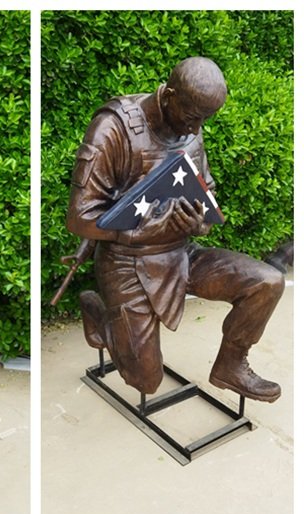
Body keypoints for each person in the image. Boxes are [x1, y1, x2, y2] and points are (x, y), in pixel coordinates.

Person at [67, 57, 284, 402]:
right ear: (169, 95)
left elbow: (205, 199)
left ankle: (231, 364)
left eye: (204, 120)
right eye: (192, 117)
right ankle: (99, 313)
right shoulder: (114, 128)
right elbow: (80, 217)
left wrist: (196, 223)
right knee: (145, 381)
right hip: (126, 262)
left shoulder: (190, 129)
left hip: (181, 253)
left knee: (267, 282)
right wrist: (151, 225)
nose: (196, 129)